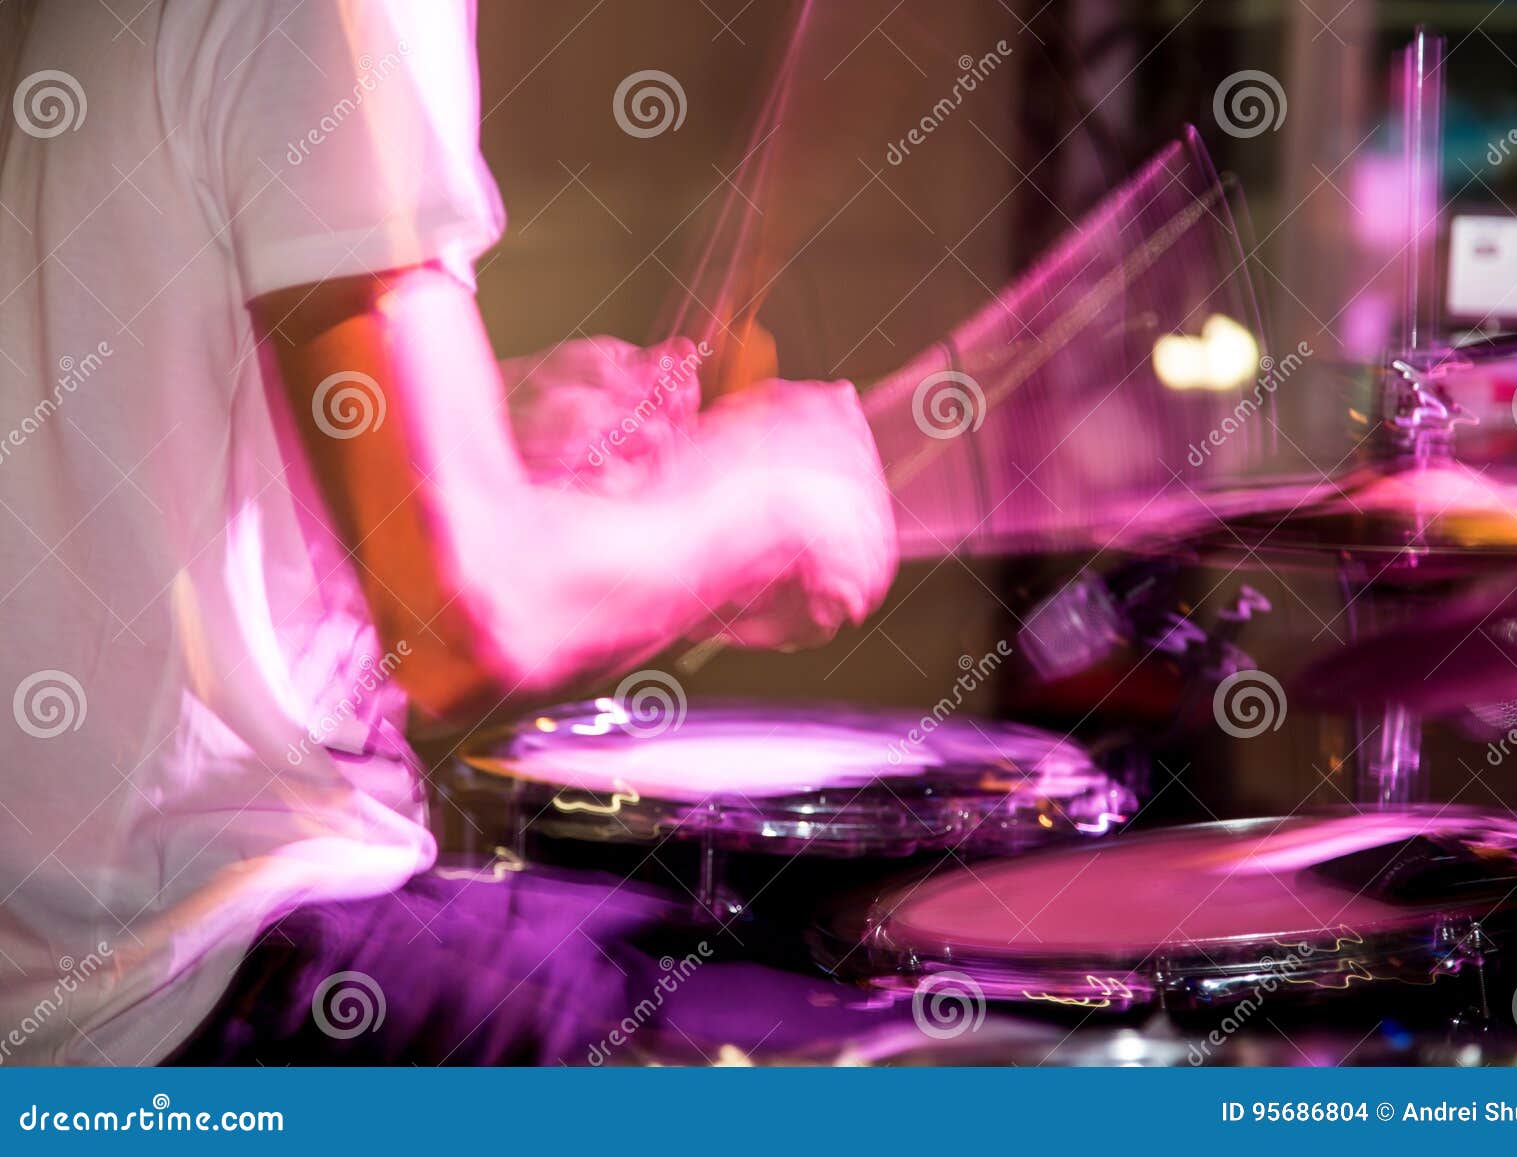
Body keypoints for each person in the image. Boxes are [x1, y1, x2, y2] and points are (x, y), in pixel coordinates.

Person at [0, 0, 895, 1064]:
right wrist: (762, 498)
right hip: (205, 983)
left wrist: (497, 432)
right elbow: (467, 621)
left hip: (80, 971)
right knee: (837, 1028)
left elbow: (163, 424)